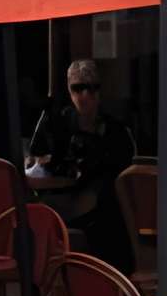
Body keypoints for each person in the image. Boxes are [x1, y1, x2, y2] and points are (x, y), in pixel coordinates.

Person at [22, 57, 136, 268]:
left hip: (99, 205)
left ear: (100, 91)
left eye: (92, 89)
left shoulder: (114, 130)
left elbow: (121, 172)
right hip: (61, 198)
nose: (85, 95)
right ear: (69, 89)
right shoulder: (57, 123)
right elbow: (36, 157)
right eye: (79, 88)